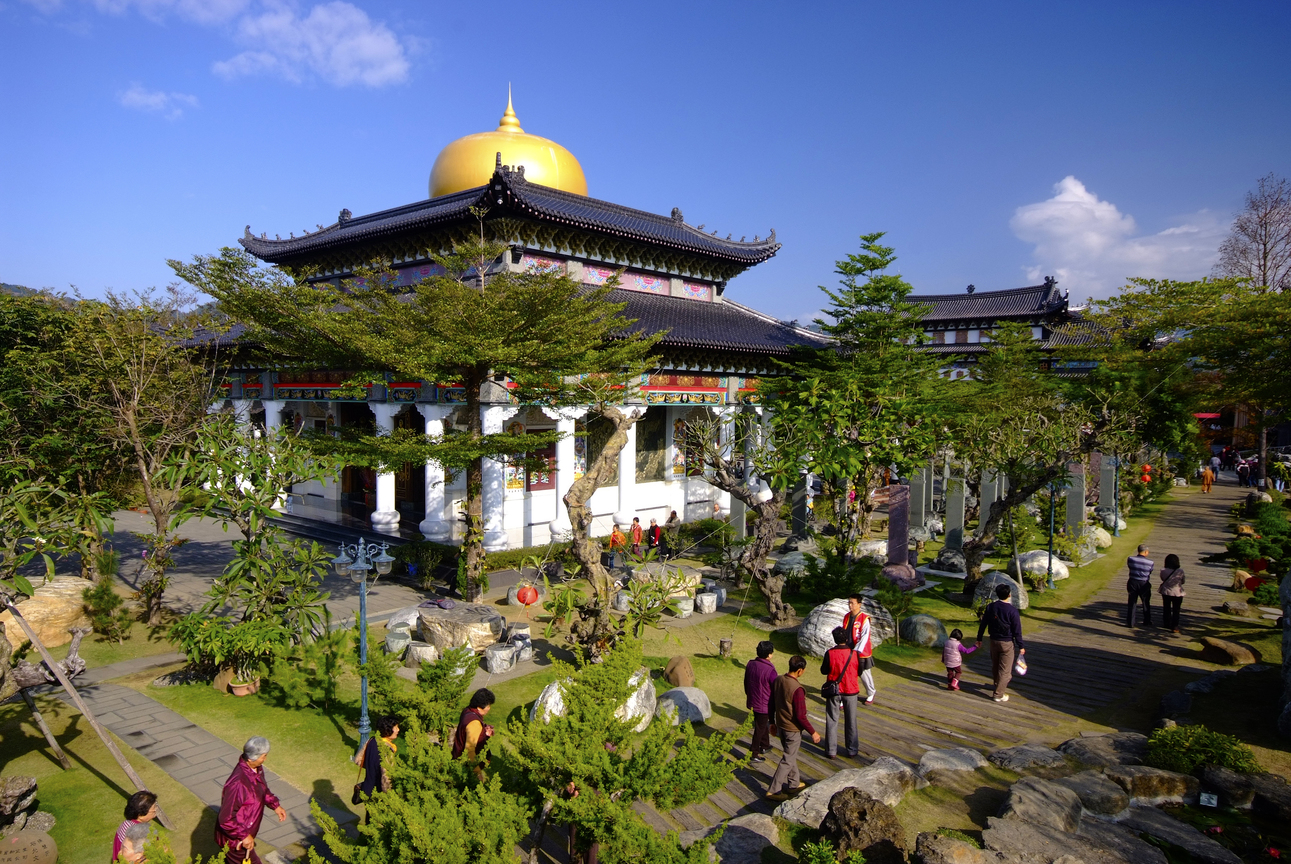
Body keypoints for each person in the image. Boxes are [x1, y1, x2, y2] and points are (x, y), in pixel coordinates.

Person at [216, 737, 287, 864]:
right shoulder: (238, 784)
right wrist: (243, 835)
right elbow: (225, 818)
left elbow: (262, 789)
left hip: (243, 838)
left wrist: (275, 805)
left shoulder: (256, 769)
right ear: (251, 759)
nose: (265, 759)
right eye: (263, 756)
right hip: (235, 843)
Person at [765, 655, 820, 801]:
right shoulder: (797, 689)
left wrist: (772, 722)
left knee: (790, 755)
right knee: (787, 759)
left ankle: (794, 783)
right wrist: (813, 732)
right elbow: (801, 716)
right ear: (800, 670)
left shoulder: (778, 680)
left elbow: (771, 703)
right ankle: (773, 790)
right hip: (792, 729)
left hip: (780, 725)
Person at [975, 584, 1025, 702]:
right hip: (1007, 642)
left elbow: (983, 624)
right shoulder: (1012, 611)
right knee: (1005, 671)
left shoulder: (991, 607)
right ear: (1009, 595)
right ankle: (998, 694)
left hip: (993, 641)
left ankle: (997, 684)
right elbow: (1017, 630)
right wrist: (1021, 645)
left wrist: (979, 638)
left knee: (996, 666)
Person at [820, 627, 859, 758]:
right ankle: (852, 749)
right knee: (851, 720)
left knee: (832, 719)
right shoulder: (854, 653)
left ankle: (831, 750)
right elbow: (860, 670)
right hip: (851, 689)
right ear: (846, 638)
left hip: (834, 689)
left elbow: (824, 670)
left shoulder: (829, 653)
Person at [743, 640, 778, 764]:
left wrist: (749, 695)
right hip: (765, 703)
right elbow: (775, 687)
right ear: (769, 654)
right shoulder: (770, 670)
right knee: (759, 727)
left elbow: (746, 682)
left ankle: (765, 745)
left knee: (761, 724)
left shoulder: (751, 664)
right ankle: (754, 752)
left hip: (754, 700)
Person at [357, 715, 400, 815]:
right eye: (396, 727)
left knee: (369, 819)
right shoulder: (386, 750)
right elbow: (386, 778)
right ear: (388, 730)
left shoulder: (372, 740)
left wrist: (372, 768)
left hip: (367, 788)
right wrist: (390, 797)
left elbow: (358, 760)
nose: (398, 730)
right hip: (378, 793)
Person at [843, 594, 877, 704]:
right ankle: (845, 696)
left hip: (861, 652)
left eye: (852, 603)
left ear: (859, 604)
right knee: (846, 674)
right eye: (849, 602)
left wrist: (857, 651)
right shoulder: (847, 617)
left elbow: (865, 636)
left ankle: (871, 692)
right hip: (848, 651)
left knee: (864, 674)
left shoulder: (864, 619)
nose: (850, 605)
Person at [452, 688, 496, 772]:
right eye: (488, 706)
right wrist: (476, 771)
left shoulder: (467, 710)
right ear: (479, 707)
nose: (489, 708)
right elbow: (470, 750)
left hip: (457, 754)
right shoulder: (474, 723)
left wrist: (484, 732)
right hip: (466, 766)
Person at [113, 790, 158, 863]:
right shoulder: (142, 833)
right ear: (141, 814)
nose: (155, 814)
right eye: (153, 811)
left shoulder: (125, 824)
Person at [1126, 544, 1154, 627]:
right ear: (1145, 552)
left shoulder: (1131, 559)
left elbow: (1130, 567)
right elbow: (1150, 571)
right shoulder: (1150, 562)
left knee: (1132, 602)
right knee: (1145, 602)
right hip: (1144, 583)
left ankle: (1130, 622)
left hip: (1133, 581)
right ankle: (1147, 620)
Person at [1158, 553, 1186, 633]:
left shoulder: (1163, 570)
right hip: (1177, 592)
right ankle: (1175, 626)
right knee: (1176, 610)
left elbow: (1163, 579)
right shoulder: (1180, 571)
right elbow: (1183, 581)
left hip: (1166, 591)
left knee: (1166, 608)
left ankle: (1166, 623)